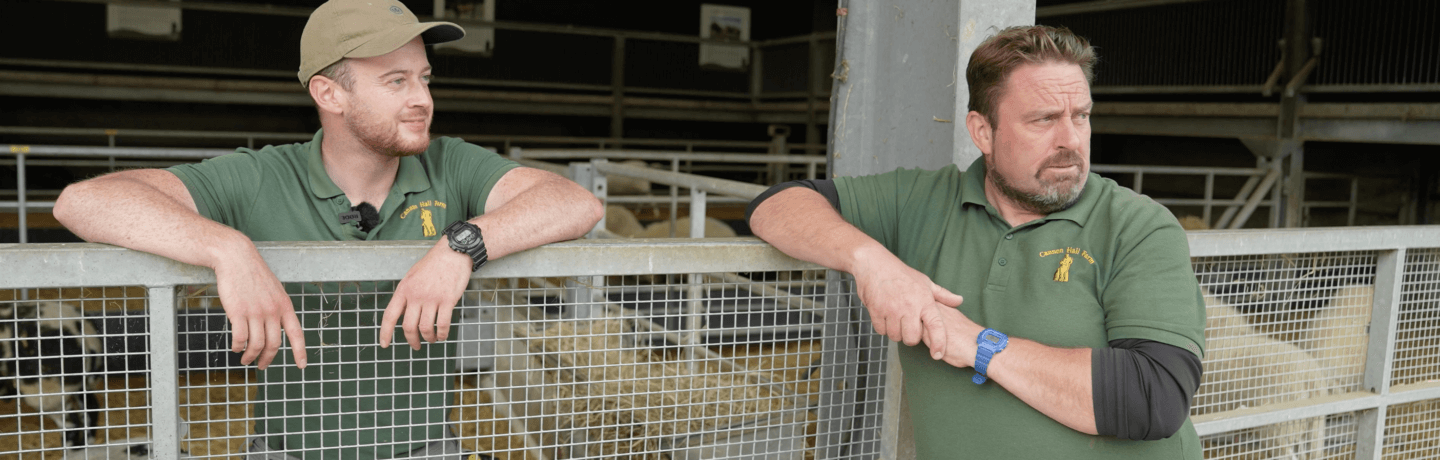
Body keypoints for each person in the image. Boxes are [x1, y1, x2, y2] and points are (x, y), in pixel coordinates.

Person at [53, 0, 603, 458]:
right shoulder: (262, 175)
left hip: (425, 447)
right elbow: (85, 202)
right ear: (329, 94)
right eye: (396, 81)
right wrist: (228, 247)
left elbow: (575, 203)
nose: (422, 99)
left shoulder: (451, 165)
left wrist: (462, 245)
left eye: (424, 77)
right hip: (287, 448)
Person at [746, 25, 1205, 458]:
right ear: (983, 131)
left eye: (1080, 116)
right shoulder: (922, 201)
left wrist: (980, 345)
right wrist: (872, 260)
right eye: (1044, 119)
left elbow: (1154, 396)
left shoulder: (1138, 226)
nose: (1070, 140)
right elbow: (777, 205)